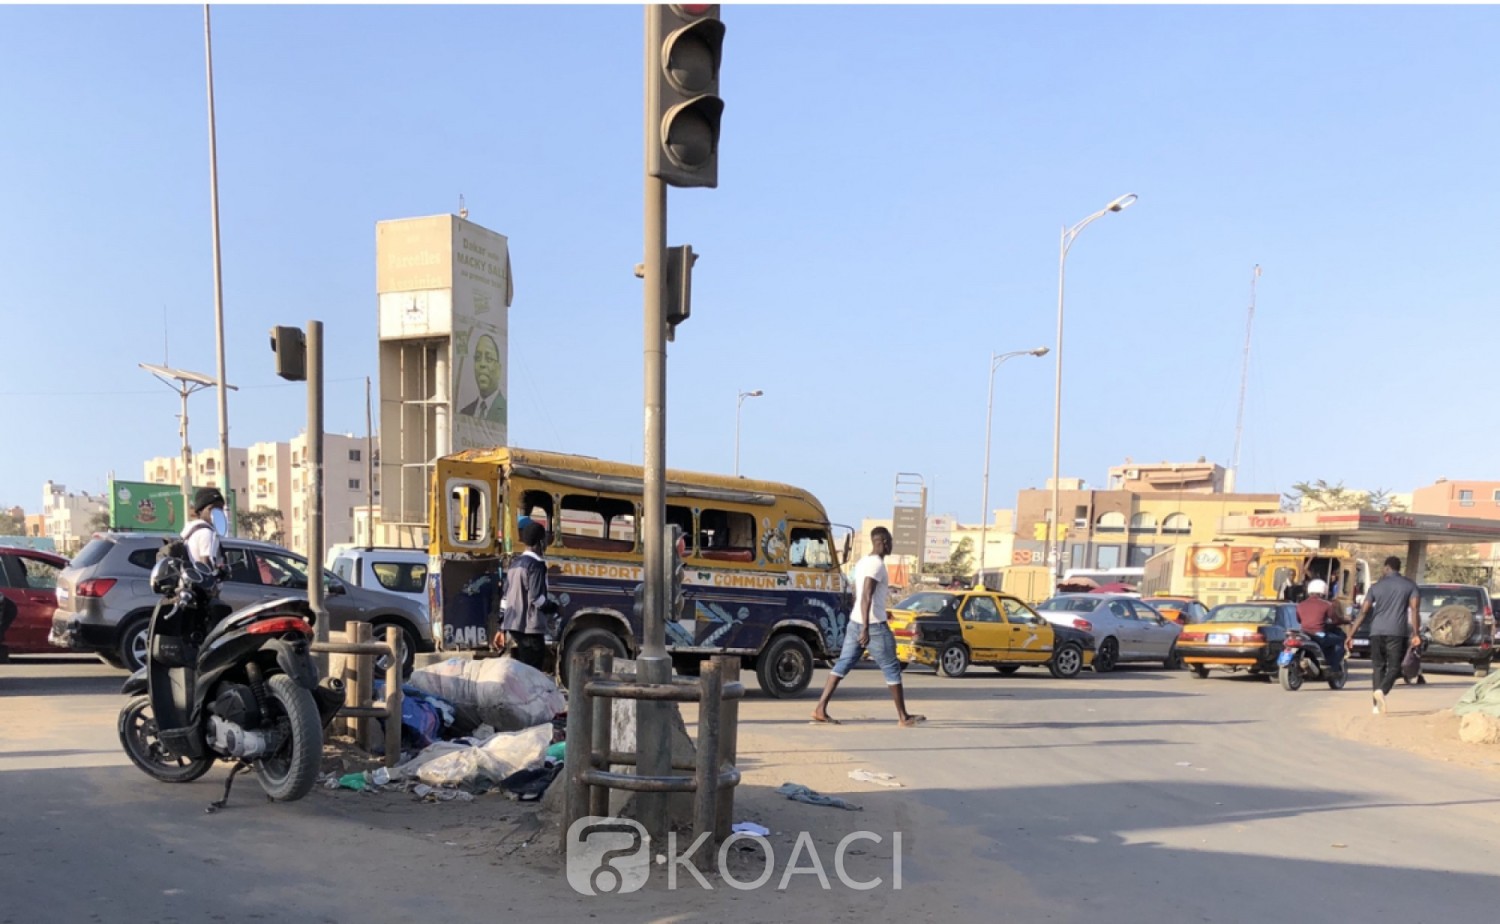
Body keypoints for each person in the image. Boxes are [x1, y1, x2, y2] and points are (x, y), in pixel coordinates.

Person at [811, 526, 925, 727]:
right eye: (889, 541)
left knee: (843, 663)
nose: (891, 545)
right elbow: (866, 596)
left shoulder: (862, 562)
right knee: (892, 668)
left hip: (856, 622)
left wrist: (860, 622)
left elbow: (857, 593)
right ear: (882, 542)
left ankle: (820, 708)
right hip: (872, 626)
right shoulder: (877, 566)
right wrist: (865, 627)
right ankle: (903, 717)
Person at [1346, 555, 1421, 715]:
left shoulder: (1376, 587)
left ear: (1387, 568)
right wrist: (1416, 633)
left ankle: (1375, 706)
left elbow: (1363, 612)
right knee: (1394, 667)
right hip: (1397, 632)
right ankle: (1382, 691)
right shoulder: (1410, 585)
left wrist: (1350, 634)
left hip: (1376, 632)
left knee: (1378, 668)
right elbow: (1415, 610)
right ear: (1398, 568)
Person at [501, 520, 555, 671]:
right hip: (530, 627)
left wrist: (502, 622)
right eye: (544, 540)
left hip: (513, 624)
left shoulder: (515, 563)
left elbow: (505, 597)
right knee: (533, 670)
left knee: (522, 669)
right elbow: (536, 598)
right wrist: (553, 607)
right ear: (539, 542)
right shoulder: (537, 566)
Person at [1295, 579, 1346, 676]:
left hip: (1304, 634)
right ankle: (1334, 668)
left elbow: (1299, 620)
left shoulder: (1300, 605)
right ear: (1323, 592)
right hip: (1319, 635)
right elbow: (1336, 620)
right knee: (1340, 639)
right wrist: (1346, 621)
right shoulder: (1326, 605)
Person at [459, 333, 507, 424]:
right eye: (477, 358)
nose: (482, 364)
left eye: (489, 359)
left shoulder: (507, 412)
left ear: (499, 369)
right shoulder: (465, 412)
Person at [182, 487, 227, 570]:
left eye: (220, 509)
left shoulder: (190, 529)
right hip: (201, 581)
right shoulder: (206, 532)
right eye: (212, 508)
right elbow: (205, 563)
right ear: (200, 510)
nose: (217, 513)